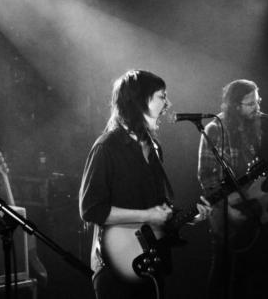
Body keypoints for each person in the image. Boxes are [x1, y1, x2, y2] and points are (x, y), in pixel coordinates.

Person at [79, 70, 211, 299]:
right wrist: (147, 215)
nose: (168, 103)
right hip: (115, 265)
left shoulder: (154, 148)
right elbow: (91, 209)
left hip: (151, 259)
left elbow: (156, 206)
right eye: (162, 96)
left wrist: (190, 216)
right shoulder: (106, 147)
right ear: (140, 100)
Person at [198, 79, 268, 299]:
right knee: (221, 273)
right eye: (250, 103)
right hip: (224, 211)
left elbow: (249, 170)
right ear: (235, 106)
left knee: (244, 274)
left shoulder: (250, 127)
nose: (257, 107)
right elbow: (207, 177)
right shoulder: (215, 128)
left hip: (248, 207)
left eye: (257, 101)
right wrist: (226, 209)